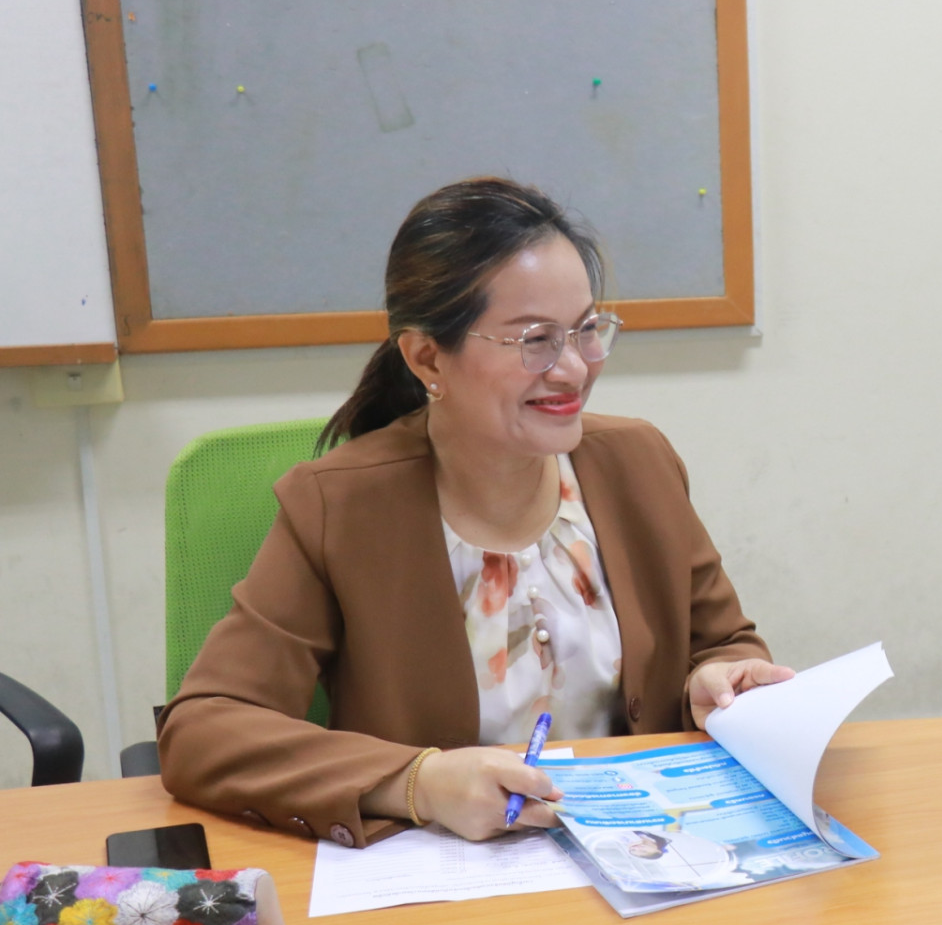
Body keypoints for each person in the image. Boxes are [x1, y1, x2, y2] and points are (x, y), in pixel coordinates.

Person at [158, 178, 793, 848]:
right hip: (452, 880)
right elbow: (204, 730)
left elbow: (723, 644)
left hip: (644, 858)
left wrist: (715, 683)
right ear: (427, 356)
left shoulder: (638, 463)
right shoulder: (340, 506)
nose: (574, 369)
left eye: (585, 330)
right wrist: (418, 782)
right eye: (535, 340)